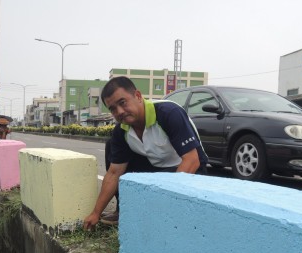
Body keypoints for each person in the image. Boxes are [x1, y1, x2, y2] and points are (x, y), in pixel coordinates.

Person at [83, 76, 208, 230]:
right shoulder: (121, 130)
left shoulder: (169, 113)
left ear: (138, 96)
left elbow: (192, 160)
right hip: (158, 169)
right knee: (111, 147)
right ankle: (123, 210)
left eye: (122, 103)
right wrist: (96, 213)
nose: (119, 111)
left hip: (189, 170)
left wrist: (165, 203)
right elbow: (114, 173)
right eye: (113, 108)